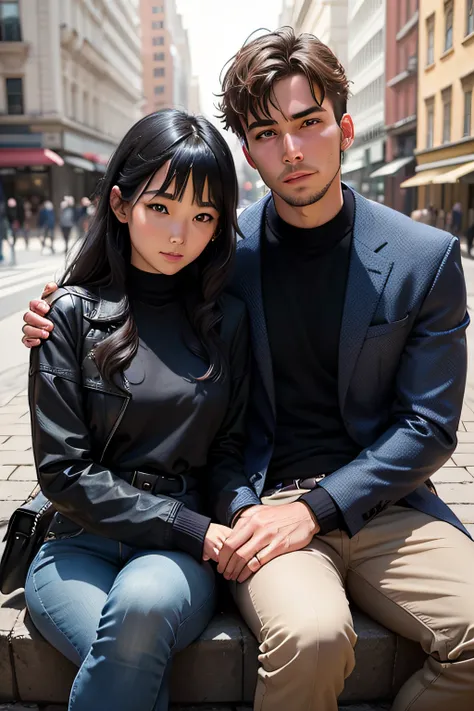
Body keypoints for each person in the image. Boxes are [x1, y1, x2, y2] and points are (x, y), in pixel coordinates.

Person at [21, 28, 474, 711]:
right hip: (259, 505)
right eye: (267, 132)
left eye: (309, 123)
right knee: (314, 637)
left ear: (345, 127)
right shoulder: (222, 250)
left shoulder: (425, 257)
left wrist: (320, 508)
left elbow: (431, 424)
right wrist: (58, 309)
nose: (291, 150)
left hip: (392, 506)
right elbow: (138, 280)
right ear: (247, 151)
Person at [17, 108, 255, 711]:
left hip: (173, 558)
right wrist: (192, 527)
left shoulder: (228, 323)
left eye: (203, 217)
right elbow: (62, 472)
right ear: (121, 205)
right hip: (77, 544)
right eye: (161, 208)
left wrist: (228, 525)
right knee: (131, 654)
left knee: (142, 611)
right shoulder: (67, 316)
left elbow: (229, 449)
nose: (180, 235)